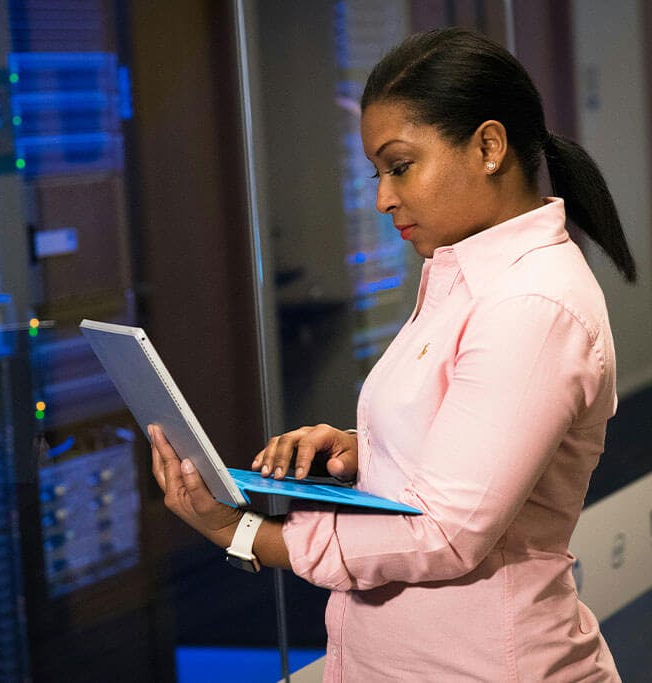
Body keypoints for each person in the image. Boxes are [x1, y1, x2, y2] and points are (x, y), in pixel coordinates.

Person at [149, 27, 634, 682]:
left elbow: (443, 533)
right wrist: (367, 449)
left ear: (489, 146)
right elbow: (462, 444)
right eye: (377, 174)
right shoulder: (465, 281)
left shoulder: (532, 305)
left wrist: (249, 536)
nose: (382, 198)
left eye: (400, 166)